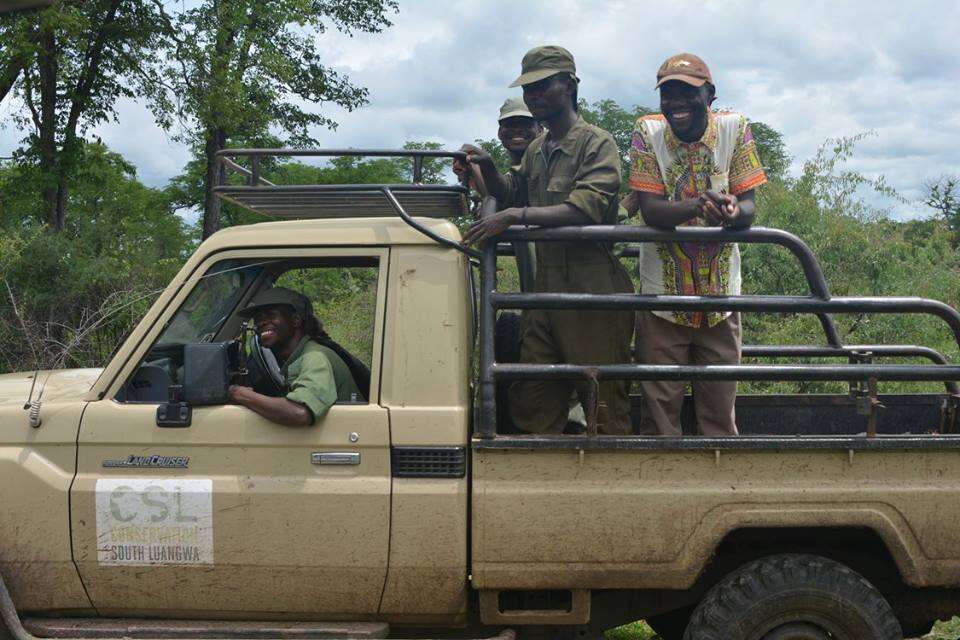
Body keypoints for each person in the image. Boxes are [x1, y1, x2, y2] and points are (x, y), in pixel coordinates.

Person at [461, 45, 635, 435]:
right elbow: (512, 191)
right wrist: (486, 166)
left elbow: (584, 208)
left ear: (570, 86)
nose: (534, 95)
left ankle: (610, 488)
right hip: (544, 291)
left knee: (602, 404)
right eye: (529, 89)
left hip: (594, 290)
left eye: (543, 86)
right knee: (532, 399)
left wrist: (514, 217)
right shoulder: (538, 149)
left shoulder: (596, 143)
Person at [625, 53, 768, 436]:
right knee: (659, 413)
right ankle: (661, 487)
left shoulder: (735, 130)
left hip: (721, 296)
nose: (676, 103)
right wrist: (697, 206)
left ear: (710, 94)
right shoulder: (648, 132)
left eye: (687, 93)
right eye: (668, 94)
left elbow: (750, 204)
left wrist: (733, 211)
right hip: (663, 300)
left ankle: (719, 484)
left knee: (720, 412)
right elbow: (650, 210)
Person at [228, 287, 361, 426]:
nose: (261, 323)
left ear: (296, 320)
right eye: (258, 318)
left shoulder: (314, 357)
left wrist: (239, 394)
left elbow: (300, 412)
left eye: (271, 316)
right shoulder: (297, 357)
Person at [453, 97, 542, 291]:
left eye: (525, 124)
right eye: (509, 124)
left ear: (540, 129)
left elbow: (512, 199)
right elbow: (504, 193)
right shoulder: (515, 173)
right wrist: (476, 166)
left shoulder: (546, 159)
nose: (517, 130)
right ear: (500, 133)